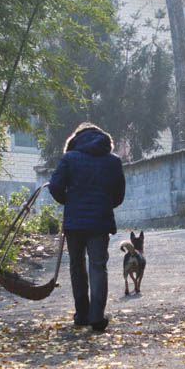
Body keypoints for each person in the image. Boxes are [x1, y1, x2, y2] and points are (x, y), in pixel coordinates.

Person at [48, 122, 125, 333]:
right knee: (98, 266)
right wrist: (105, 204)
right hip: (100, 222)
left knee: (77, 265)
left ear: (76, 139)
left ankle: (82, 314)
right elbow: (119, 194)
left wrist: (68, 201)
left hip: (74, 223)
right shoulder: (113, 161)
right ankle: (97, 316)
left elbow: (54, 186)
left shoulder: (69, 159)